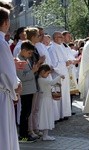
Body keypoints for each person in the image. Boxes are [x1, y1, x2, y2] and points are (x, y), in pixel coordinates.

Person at [0, 4, 20, 150]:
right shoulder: (2, 43)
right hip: (2, 94)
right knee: (3, 132)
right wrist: (16, 85)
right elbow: (7, 75)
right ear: (6, 22)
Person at [17, 40, 38, 142]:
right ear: (24, 50)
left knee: (27, 113)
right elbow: (21, 76)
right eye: (29, 53)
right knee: (25, 114)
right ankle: (23, 136)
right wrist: (33, 71)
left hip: (30, 89)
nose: (30, 55)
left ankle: (25, 134)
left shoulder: (25, 59)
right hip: (25, 90)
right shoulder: (18, 60)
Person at [37, 64, 64, 140]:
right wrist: (59, 76)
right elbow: (51, 83)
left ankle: (45, 134)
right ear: (42, 72)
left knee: (46, 116)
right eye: (47, 73)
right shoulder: (41, 80)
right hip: (45, 101)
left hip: (47, 100)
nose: (48, 75)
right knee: (46, 117)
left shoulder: (42, 79)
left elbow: (50, 85)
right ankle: (45, 136)